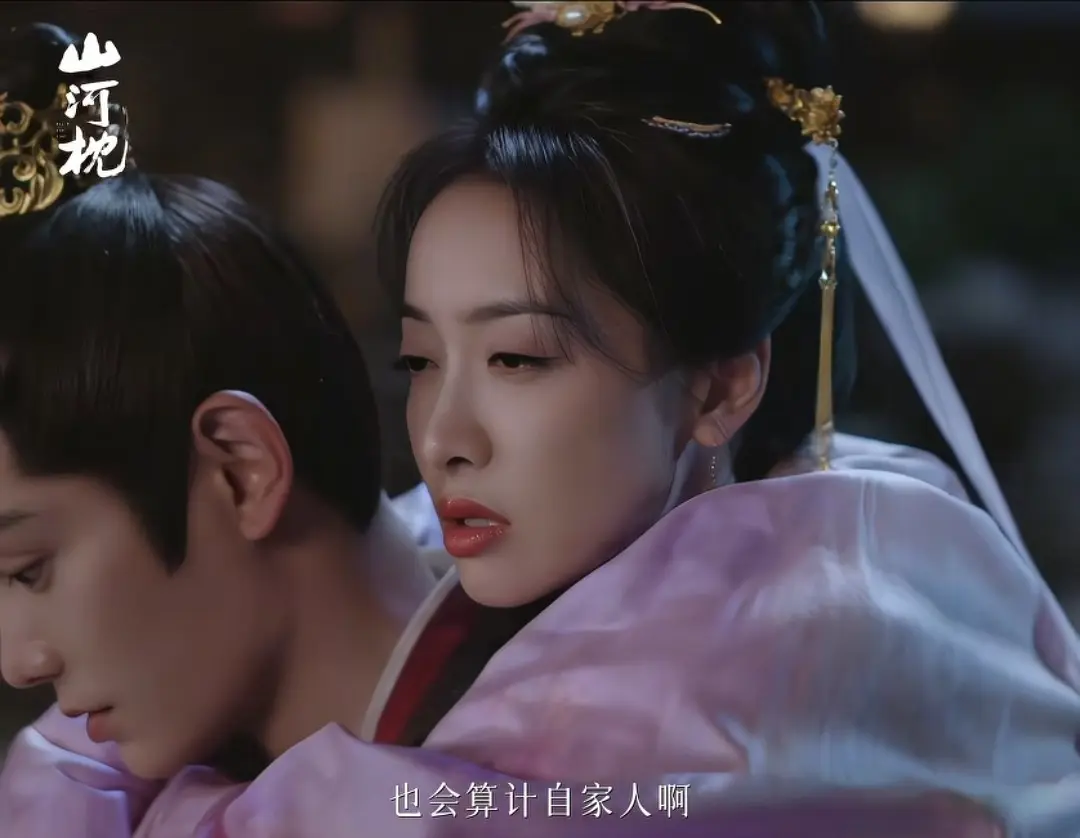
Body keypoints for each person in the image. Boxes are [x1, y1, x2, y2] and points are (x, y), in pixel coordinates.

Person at [0, 14, 1038, 838]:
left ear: (720, 387)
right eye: (419, 361)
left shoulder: (773, 653)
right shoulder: (401, 632)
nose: (441, 438)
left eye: (518, 359)